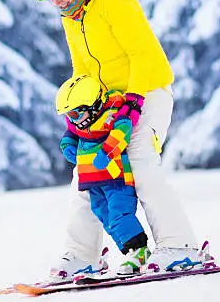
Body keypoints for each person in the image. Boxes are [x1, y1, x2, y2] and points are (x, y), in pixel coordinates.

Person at [29, 0, 201, 277]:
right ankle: (82, 255)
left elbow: (144, 55)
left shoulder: (115, 2)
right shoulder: (71, 18)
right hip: (107, 106)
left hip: (148, 92)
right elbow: (82, 71)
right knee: (87, 171)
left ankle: (181, 247)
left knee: (140, 161)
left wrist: (134, 101)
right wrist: (78, 120)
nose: (55, 2)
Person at [54, 75, 151, 280]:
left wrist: (107, 152)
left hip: (116, 179)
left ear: (91, 105)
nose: (71, 120)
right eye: (67, 116)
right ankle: (127, 252)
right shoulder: (80, 124)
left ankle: (139, 250)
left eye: (73, 114)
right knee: (104, 215)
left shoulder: (112, 115)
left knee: (119, 216)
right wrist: (67, 145)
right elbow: (70, 134)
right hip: (93, 181)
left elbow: (122, 131)